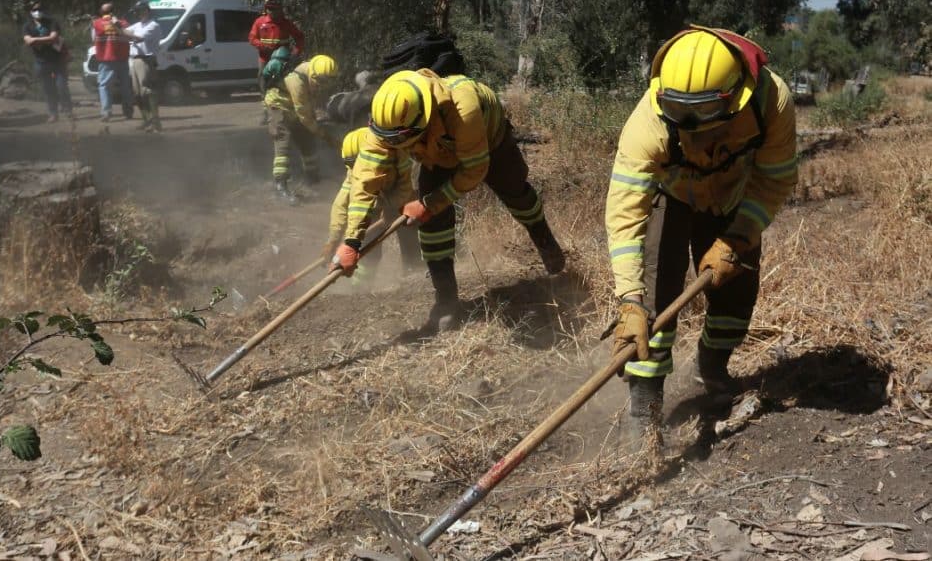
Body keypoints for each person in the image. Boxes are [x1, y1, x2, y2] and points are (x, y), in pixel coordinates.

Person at [605, 26, 797, 449]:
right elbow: (624, 213)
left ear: (734, 99)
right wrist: (629, 300)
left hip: (733, 198)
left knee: (736, 293)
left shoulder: (771, 101)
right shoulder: (648, 124)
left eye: (702, 115)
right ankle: (644, 409)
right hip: (670, 196)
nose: (688, 126)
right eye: (678, 112)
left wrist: (737, 238)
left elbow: (775, 180)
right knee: (654, 303)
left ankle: (712, 367)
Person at [332, 70, 566, 333]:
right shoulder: (388, 123)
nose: (391, 145)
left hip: (491, 141)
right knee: (431, 226)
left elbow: (475, 170)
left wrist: (429, 203)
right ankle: (446, 301)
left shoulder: (463, 108)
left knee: (517, 195)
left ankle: (544, 239)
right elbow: (365, 181)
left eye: (397, 140)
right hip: (438, 155)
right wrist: (352, 241)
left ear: (421, 122)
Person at [323, 127, 420, 280]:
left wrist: (392, 208)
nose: (357, 170)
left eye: (357, 163)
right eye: (351, 164)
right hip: (376, 202)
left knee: (409, 233)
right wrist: (333, 240)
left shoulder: (399, 157)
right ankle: (361, 288)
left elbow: (407, 188)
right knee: (367, 241)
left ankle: (414, 275)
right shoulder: (355, 170)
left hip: (406, 200)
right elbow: (341, 204)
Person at [263, 54, 339, 205]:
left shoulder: (313, 75)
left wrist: (315, 127)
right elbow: (304, 115)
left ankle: (312, 179)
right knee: (282, 142)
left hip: (295, 108)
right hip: (279, 106)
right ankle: (281, 185)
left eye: (327, 82)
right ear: (313, 74)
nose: (322, 86)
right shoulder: (296, 81)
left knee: (307, 141)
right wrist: (324, 134)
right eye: (321, 82)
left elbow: (307, 108)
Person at [248, 0, 304, 124]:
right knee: (262, 77)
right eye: (270, 9)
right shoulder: (260, 22)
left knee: (285, 82)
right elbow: (252, 38)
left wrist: (295, 53)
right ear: (266, 9)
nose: (273, 12)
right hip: (265, 58)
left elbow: (299, 37)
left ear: (280, 10)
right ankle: (266, 110)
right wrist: (262, 46)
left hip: (282, 59)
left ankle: (290, 110)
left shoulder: (286, 23)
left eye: (276, 9)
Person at [22, 1, 72, 123]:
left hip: (58, 60)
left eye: (39, 9)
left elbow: (54, 38)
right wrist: (46, 40)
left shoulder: (52, 22)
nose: (37, 12)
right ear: (30, 12)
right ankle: (53, 114)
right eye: (34, 9)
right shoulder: (27, 26)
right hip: (41, 62)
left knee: (62, 86)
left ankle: (68, 109)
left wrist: (36, 40)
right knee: (48, 89)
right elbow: (28, 41)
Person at [124, 0, 161, 132]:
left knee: (148, 91)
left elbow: (138, 38)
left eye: (142, 10)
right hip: (134, 59)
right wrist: (115, 26)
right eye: (138, 11)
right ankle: (147, 120)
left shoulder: (153, 25)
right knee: (137, 93)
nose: (140, 13)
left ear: (148, 11)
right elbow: (124, 33)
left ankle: (155, 123)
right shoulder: (138, 25)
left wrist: (119, 27)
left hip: (146, 59)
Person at [91, 2, 132, 122]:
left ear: (101, 13)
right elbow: (128, 35)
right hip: (122, 58)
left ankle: (106, 112)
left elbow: (93, 39)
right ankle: (128, 111)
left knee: (104, 86)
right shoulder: (124, 23)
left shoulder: (97, 23)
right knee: (125, 86)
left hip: (107, 59)